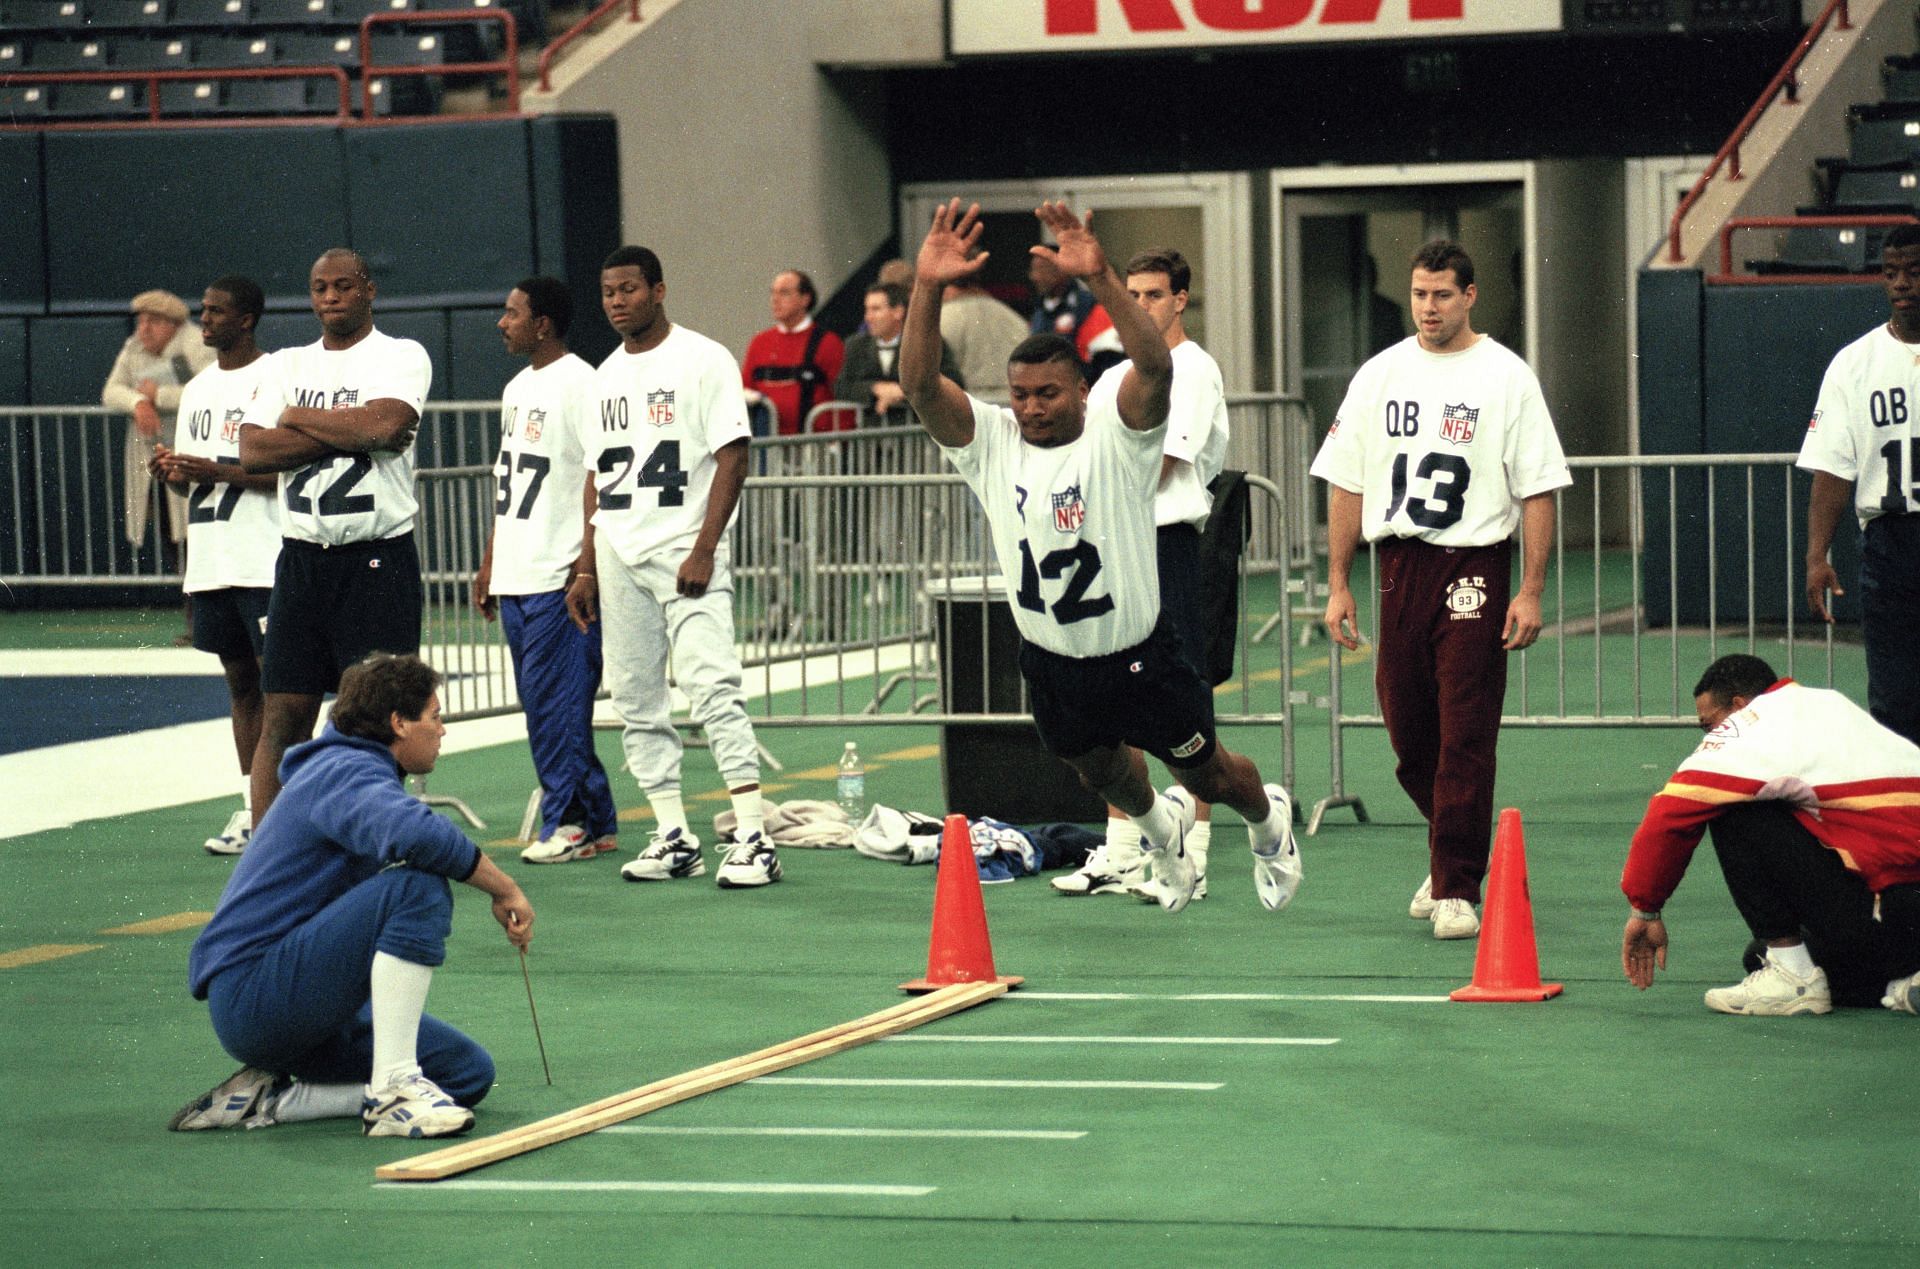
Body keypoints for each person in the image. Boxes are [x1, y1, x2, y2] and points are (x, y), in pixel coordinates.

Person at [900, 198, 1300, 916]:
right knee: (1099, 774)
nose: (1031, 408)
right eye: (1020, 395)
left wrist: (1102, 279)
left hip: (1138, 652)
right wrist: (927, 286)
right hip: (1051, 656)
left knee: (1205, 774)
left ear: (1081, 390)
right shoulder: (991, 443)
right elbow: (922, 387)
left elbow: (1155, 365)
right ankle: (1158, 832)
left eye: (1048, 393)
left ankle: (1269, 821)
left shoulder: (1117, 436)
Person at [1311, 239, 1571, 940]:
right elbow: (1347, 477)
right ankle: (1451, 845)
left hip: (1475, 564)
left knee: (1465, 727)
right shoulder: (1380, 374)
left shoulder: (1506, 376)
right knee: (1408, 731)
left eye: (1443, 295)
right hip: (1398, 563)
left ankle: (1457, 883)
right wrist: (1339, 582)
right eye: (1420, 294)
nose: (1429, 307)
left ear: (1470, 295)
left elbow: (1539, 487)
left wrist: (1532, 588)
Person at [171, 654, 534, 1138]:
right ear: (398, 723)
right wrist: (504, 888)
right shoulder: (343, 770)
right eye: (435, 716)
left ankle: (278, 1100)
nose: (443, 730)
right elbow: (417, 834)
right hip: (254, 998)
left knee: (464, 1073)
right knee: (416, 885)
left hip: (291, 1001)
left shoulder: (349, 769)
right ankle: (394, 1089)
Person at [569, 245, 777, 889]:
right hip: (619, 549)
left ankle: (754, 834)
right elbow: (594, 476)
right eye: (608, 292)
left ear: (658, 291)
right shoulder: (601, 377)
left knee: (712, 686)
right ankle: (673, 832)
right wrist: (585, 565)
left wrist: (706, 548)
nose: (617, 302)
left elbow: (733, 456)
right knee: (635, 697)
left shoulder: (702, 358)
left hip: (684, 548)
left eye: (629, 289)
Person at [1050, 247, 1233, 904]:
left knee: (1181, 696)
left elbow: (1154, 465)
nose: (1142, 304)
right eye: (1132, 293)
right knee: (1109, 690)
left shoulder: (1193, 369)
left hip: (1168, 543)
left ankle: (1198, 854)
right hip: (1112, 547)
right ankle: (1124, 850)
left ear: (1180, 299)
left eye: (1154, 294)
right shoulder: (1110, 378)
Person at [238, 248, 431, 823]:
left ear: (368, 289)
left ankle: (372, 836)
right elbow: (252, 452)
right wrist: (353, 434)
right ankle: (272, 848)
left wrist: (297, 419)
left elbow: (386, 423)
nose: (331, 298)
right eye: (320, 288)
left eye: (343, 286)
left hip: (376, 559)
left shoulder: (400, 354)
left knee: (378, 715)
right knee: (284, 714)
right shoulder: (285, 364)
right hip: (302, 558)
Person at [1620, 653, 1920, 1017]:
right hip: (1903, 908)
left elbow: (1668, 818)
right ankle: (1902, 984)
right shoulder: (1829, 703)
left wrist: (1645, 910)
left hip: (1895, 908)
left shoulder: (1747, 727)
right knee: (1758, 954)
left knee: (1734, 808)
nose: (1710, 735)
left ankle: (1797, 981)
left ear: (1739, 705)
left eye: (1709, 724)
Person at [471, 277, 620, 866]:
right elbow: (509, 482)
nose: (501, 323)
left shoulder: (584, 384)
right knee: (542, 706)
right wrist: (489, 563)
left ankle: (568, 821)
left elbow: (598, 478)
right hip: (516, 569)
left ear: (543, 324)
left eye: (510, 314)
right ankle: (598, 820)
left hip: (558, 576)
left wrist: (584, 568)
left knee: (558, 707)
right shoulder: (515, 388)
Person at [150, 276, 282, 856]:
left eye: (217, 311)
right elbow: (195, 486)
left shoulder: (277, 378)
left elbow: (286, 473)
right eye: (203, 310)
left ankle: (277, 806)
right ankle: (252, 804)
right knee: (241, 684)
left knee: (280, 685)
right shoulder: (200, 389)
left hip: (264, 558)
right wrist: (175, 475)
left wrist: (212, 470)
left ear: (247, 319)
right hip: (212, 558)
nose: (205, 319)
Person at [1799, 223, 1920, 749]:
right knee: (1896, 697)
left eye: (1914, 272)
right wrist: (1816, 555)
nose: (1902, 284)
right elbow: (1833, 468)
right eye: (1891, 273)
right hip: (1891, 542)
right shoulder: (1854, 363)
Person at [102, 287, 217, 642]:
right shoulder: (134, 347)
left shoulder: (195, 341)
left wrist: (160, 396)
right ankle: (194, 619)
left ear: (172, 324)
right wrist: (138, 401)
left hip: (193, 451)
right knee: (172, 536)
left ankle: (204, 621)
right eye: (140, 320)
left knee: (198, 536)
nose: (144, 328)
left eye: (153, 321)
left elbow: (211, 386)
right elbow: (111, 390)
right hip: (152, 456)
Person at [836, 282, 961, 422]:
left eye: (876, 309)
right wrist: (876, 388)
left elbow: (953, 382)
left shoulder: (926, 343)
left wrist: (903, 392)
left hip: (918, 434)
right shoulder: (855, 345)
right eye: (867, 310)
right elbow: (841, 387)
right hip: (871, 437)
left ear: (898, 312)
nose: (868, 317)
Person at [741, 269, 844, 435]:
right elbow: (746, 389)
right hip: (768, 446)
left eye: (784, 293)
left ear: (805, 299)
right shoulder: (759, 343)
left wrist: (838, 441)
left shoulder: (828, 343)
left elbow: (841, 395)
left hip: (813, 445)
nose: (775, 299)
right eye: (773, 292)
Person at [1029, 247, 1123, 381]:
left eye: (1043, 270)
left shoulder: (1089, 307)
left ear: (1063, 269)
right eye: (1033, 270)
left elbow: (1109, 365)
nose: (1035, 277)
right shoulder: (1039, 311)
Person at [939, 279, 1028, 404]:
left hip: (971, 405)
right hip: (1013, 401)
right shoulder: (1013, 316)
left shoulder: (942, 317)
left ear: (948, 289)